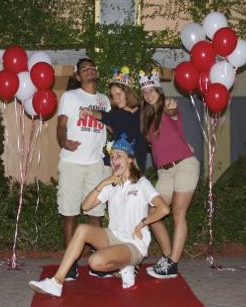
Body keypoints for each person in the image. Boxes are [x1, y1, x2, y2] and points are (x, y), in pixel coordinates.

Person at [29, 134, 170, 297]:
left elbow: (163, 209)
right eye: (112, 157)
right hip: (113, 237)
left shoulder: (141, 183)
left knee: (95, 262)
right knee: (82, 229)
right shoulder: (112, 184)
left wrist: (143, 223)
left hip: (134, 244)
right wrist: (104, 183)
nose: (114, 160)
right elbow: (86, 206)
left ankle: (126, 264)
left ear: (130, 159)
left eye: (119, 156)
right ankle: (56, 282)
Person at [139, 69, 200, 279]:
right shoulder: (147, 117)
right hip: (165, 172)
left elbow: (173, 112)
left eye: (152, 90)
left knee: (177, 213)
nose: (148, 94)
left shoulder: (167, 106)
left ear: (159, 89)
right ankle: (167, 257)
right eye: (145, 92)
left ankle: (173, 264)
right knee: (152, 213)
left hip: (184, 165)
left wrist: (171, 108)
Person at [55, 57, 111, 280]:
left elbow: (112, 126)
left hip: (96, 164)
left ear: (96, 73)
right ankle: (71, 263)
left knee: (96, 214)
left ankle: (98, 263)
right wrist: (64, 141)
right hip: (71, 163)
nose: (89, 71)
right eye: (84, 69)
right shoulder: (70, 97)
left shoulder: (104, 100)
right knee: (70, 213)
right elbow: (60, 126)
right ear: (78, 76)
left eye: (91, 68)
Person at [79, 66, 148, 173]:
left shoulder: (143, 112)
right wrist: (90, 112)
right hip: (117, 164)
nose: (115, 99)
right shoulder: (116, 114)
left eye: (118, 94)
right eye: (113, 96)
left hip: (137, 164)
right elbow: (103, 116)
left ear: (128, 92)